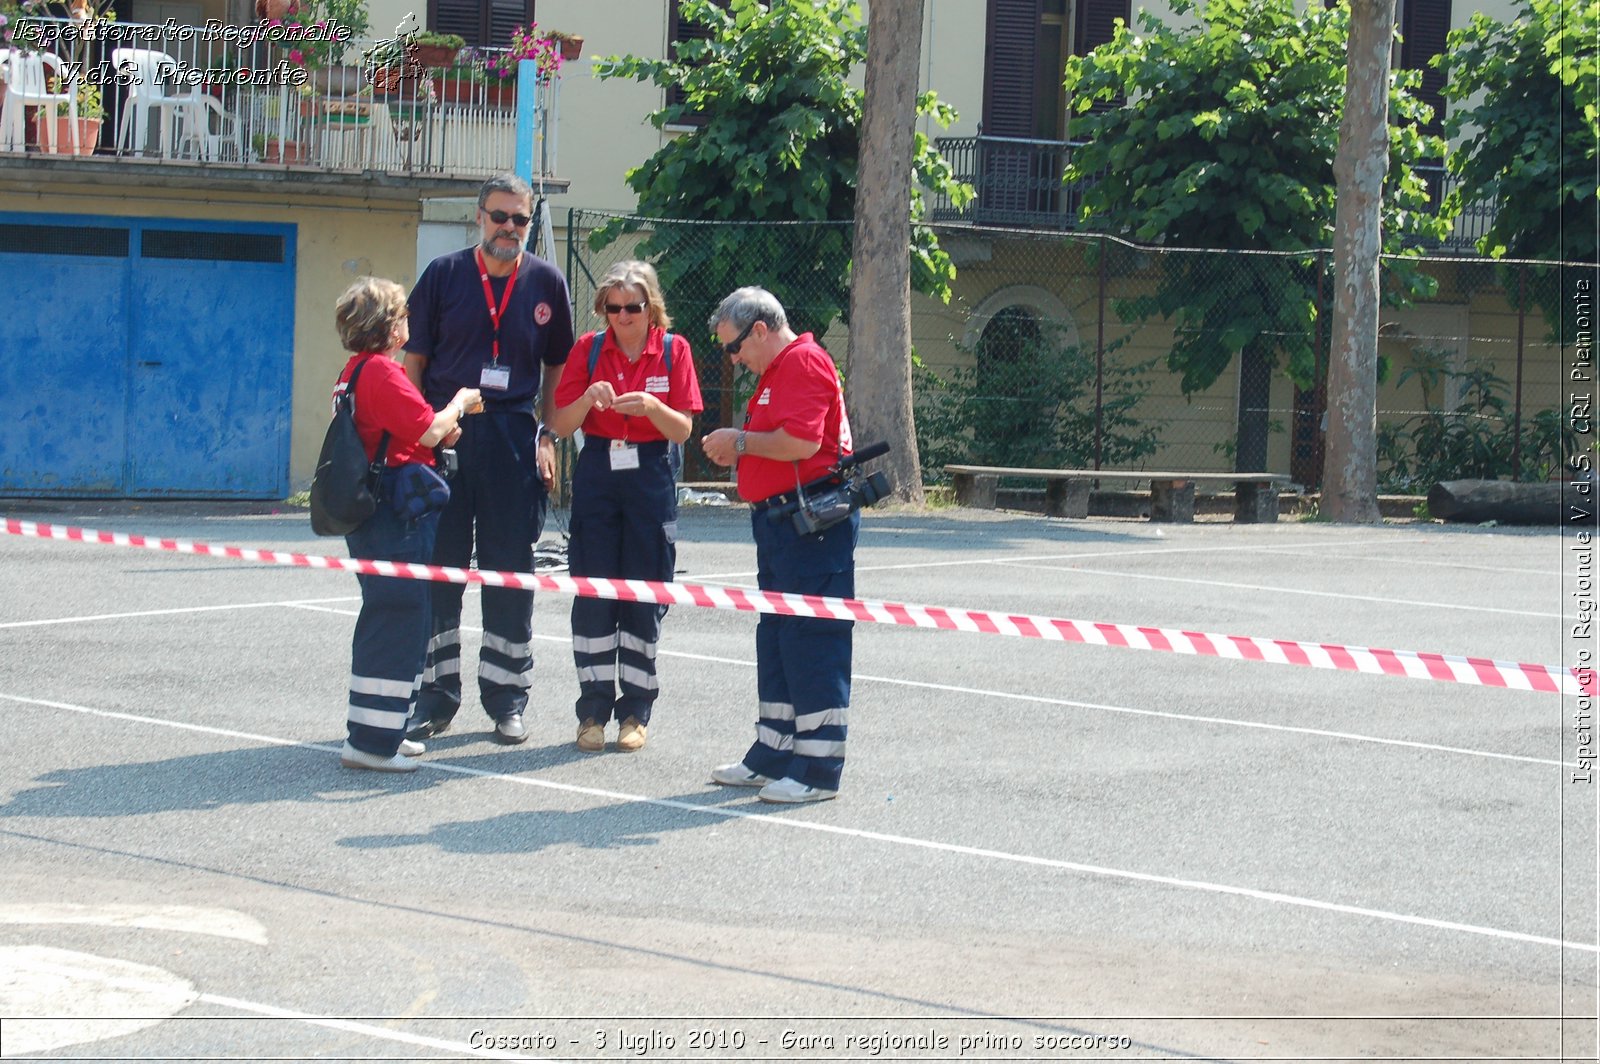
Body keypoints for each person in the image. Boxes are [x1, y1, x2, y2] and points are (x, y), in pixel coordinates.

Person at [403, 173, 576, 746]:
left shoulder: (548, 282)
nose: (509, 228)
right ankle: (434, 697)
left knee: (509, 571)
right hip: (448, 433)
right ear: (479, 217)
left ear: (530, 222)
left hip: (511, 433)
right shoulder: (445, 275)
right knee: (441, 569)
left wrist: (547, 435)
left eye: (520, 219)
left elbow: (557, 371)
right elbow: (415, 363)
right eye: (499, 216)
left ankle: (507, 698)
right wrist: (418, 436)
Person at [700, 287, 858, 804]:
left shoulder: (804, 362)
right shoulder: (777, 369)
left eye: (735, 346)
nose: (734, 358)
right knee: (779, 639)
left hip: (810, 526)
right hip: (782, 524)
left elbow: (804, 443)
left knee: (812, 642)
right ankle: (774, 753)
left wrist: (738, 442)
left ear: (760, 329)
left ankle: (817, 770)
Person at [547, 262, 704, 753]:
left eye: (631, 308)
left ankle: (635, 711)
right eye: (611, 308)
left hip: (651, 471)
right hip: (598, 472)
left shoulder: (675, 350)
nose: (621, 317)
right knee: (593, 594)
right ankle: (591, 710)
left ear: (650, 307)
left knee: (643, 595)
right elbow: (559, 422)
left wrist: (652, 408)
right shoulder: (588, 349)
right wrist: (588, 401)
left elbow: (683, 431)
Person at [331, 278, 482, 772]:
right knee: (397, 615)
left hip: (377, 509)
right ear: (389, 326)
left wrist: (434, 431)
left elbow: (408, 432)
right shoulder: (380, 372)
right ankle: (374, 743)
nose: (408, 325)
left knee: (394, 612)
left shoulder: (356, 371)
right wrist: (459, 403)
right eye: (402, 316)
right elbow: (430, 427)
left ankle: (383, 725)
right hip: (394, 514)